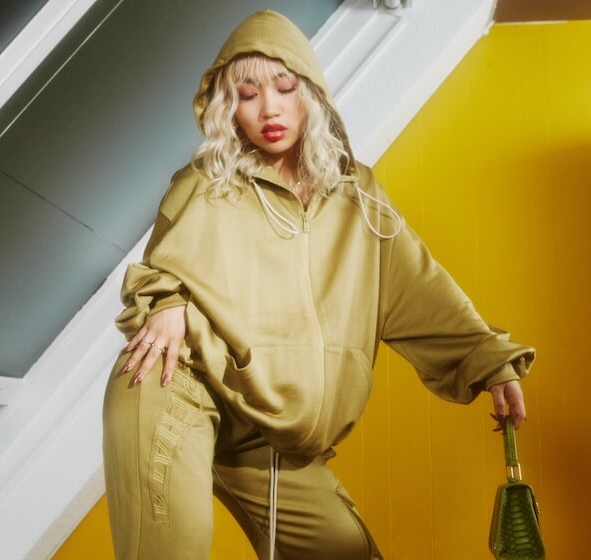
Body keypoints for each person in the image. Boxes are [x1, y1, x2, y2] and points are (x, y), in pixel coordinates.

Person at [102, 9, 534, 560]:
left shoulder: (359, 199)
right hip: (176, 385)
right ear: (228, 106)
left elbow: (418, 290)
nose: (269, 109)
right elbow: (163, 268)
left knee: (347, 552)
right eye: (248, 94)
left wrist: (491, 364)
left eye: (285, 88)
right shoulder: (208, 184)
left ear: (310, 92)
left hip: (269, 434)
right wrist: (167, 301)